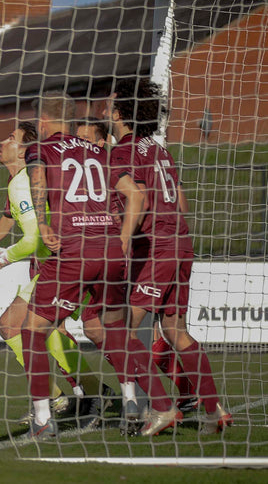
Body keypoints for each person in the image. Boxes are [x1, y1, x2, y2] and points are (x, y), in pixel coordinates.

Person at [22, 91, 177, 438]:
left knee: (32, 331)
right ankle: (149, 405)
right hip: (109, 248)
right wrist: (121, 237)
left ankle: (43, 419)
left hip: (74, 248)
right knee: (115, 331)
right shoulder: (101, 151)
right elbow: (135, 193)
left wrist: (42, 222)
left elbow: (37, 179)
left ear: (43, 122)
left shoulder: (41, 149)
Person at [105, 77, 231, 435]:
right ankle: (213, 409)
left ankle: (162, 408)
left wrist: (124, 239)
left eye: (109, 103)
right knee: (175, 329)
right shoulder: (159, 149)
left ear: (118, 112)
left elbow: (138, 198)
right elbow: (181, 201)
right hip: (180, 243)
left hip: (156, 247)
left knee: (118, 329)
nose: (105, 108)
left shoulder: (122, 151)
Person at [0, 121, 111, 429]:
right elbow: (15, 219)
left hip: (65, 261)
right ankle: (92, 394)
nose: (2, 142)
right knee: (60, 330)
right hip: (74, 257)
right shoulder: (19, 182)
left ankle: (86, 395)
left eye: (11, 138)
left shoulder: (23, 182)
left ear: (24, 150)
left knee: (21, 327)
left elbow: (35, 238)